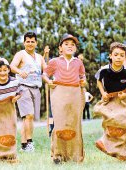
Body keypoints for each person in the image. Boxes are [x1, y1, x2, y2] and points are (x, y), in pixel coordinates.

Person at [43, 34, 86, 164]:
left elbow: (82, 76)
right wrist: (48, 81)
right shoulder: (54, 61)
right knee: (60, 123)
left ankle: (75, 155)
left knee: (74, 123)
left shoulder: (78, 62)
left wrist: (83, 82)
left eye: (72, 45)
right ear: (60, 48)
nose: (70, 46)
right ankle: (58, 155)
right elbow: (45, 74)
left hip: (75, 93)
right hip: (59, 92)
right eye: (66, 44)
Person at [94, 42, 126, 161]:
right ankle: (104, 143)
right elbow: (98, 80)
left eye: (121, 55)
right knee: (111, 123)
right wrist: (103, 93)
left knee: (124, 125)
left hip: (123, 100)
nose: (118, 57)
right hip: (109, 99)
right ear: (110, 56)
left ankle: (122, 152)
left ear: (125, 58)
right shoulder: (104, 71)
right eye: (116, 55)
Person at [10, 32, 47, 152]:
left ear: (36, 43)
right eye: (28, 41)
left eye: (32, 41)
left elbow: (45, 71)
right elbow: (12, 66)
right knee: (29, 115)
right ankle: (30, 143)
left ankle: (24, 145)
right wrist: (20, 72)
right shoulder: (21, 54)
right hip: (23, 87)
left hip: (36, 88)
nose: (30, 44)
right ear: (24, 42)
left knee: (28, 118)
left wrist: (51, 81)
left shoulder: (40, 57)